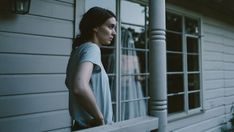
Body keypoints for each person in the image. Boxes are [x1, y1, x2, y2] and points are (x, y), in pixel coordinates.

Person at [65, 7, 116, 130]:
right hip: (94, 128)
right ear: (95, 27)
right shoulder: (92, 49)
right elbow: (79, 86)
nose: (114, 33)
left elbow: (68, 83)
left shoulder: (78, 50)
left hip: (81, 127)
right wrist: (100, 118)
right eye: (110, 27)